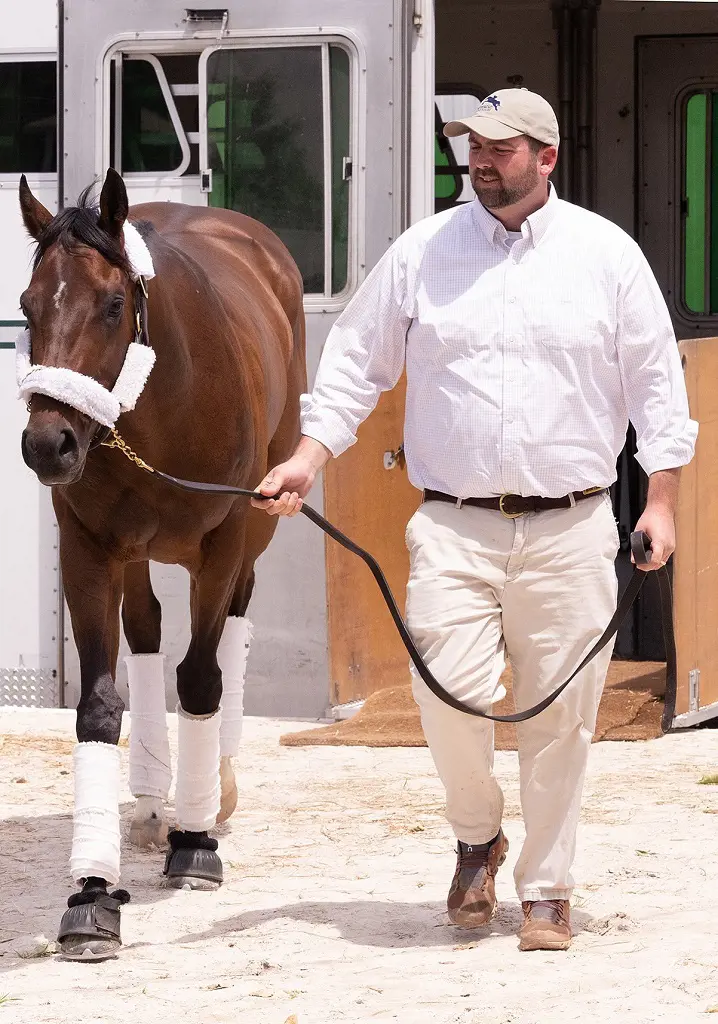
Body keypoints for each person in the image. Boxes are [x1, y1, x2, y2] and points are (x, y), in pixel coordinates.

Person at [251, 88, 697, 951]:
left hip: (572, 523)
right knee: (442, 691)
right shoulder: (422, 254)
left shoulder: (607, 257)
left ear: (547, 158)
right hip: (453, 522)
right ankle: (477, 836)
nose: (479, 160)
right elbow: (352, 369)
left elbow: (658, 394)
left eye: (500, 147)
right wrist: (306, 460)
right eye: (471, 145)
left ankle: (547, 889)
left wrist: (664, 505)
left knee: (560, 714)